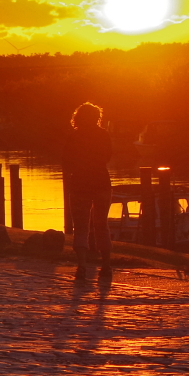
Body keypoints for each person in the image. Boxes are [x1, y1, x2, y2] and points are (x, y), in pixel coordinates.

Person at [64, 103, 113, 277]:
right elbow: (108, 156)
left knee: (81, 227)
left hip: (79, 185)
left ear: (78, 118)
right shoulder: (103, 135)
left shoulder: (74, 137)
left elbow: (67, 161)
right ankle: (106, 265)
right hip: (101, 183)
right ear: (96, 117)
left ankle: (82, 265)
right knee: (102, 225)